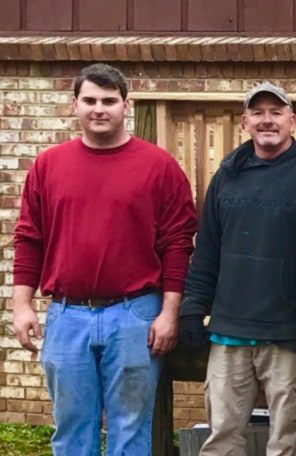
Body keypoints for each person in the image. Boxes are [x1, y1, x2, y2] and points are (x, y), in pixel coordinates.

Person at [12, 63, 197, 455]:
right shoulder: (48, 166)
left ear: (126, 105)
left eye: (109, 101)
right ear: (74, 104)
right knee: (71, 428)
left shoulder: (159, 167)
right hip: (67, 316)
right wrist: (22, 305)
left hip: (135, 315)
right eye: (91, 100)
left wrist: (169, 312)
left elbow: (178, 245)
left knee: (130, 428)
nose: (100, 109)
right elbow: (30, 238)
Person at [179, 82, 296, 455]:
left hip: (287, 333)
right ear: (245, 122)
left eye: (276, 113)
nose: (267, 120)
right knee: (222, 437)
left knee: (287, 441)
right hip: (229, 331)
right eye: (258, 113)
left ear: (293, 121)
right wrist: (194, 305)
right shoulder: (227, 175)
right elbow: (207, 248)